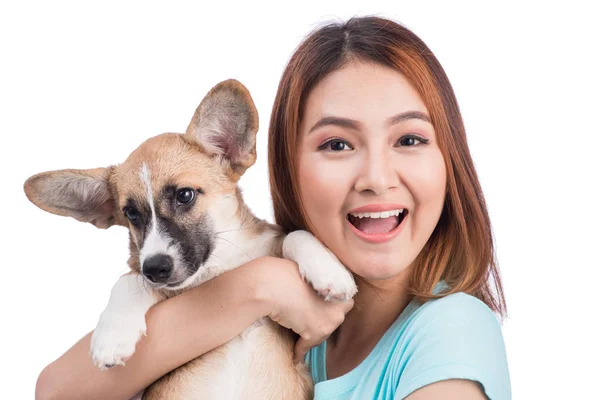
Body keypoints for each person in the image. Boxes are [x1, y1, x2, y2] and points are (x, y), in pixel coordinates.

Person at [35, 16, 510, 400]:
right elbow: (55, 392)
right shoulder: (302, 313)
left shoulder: (451, 332)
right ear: (287, 163)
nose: (377, 179)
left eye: (409, 139)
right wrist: (262, 285)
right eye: (339, 144)